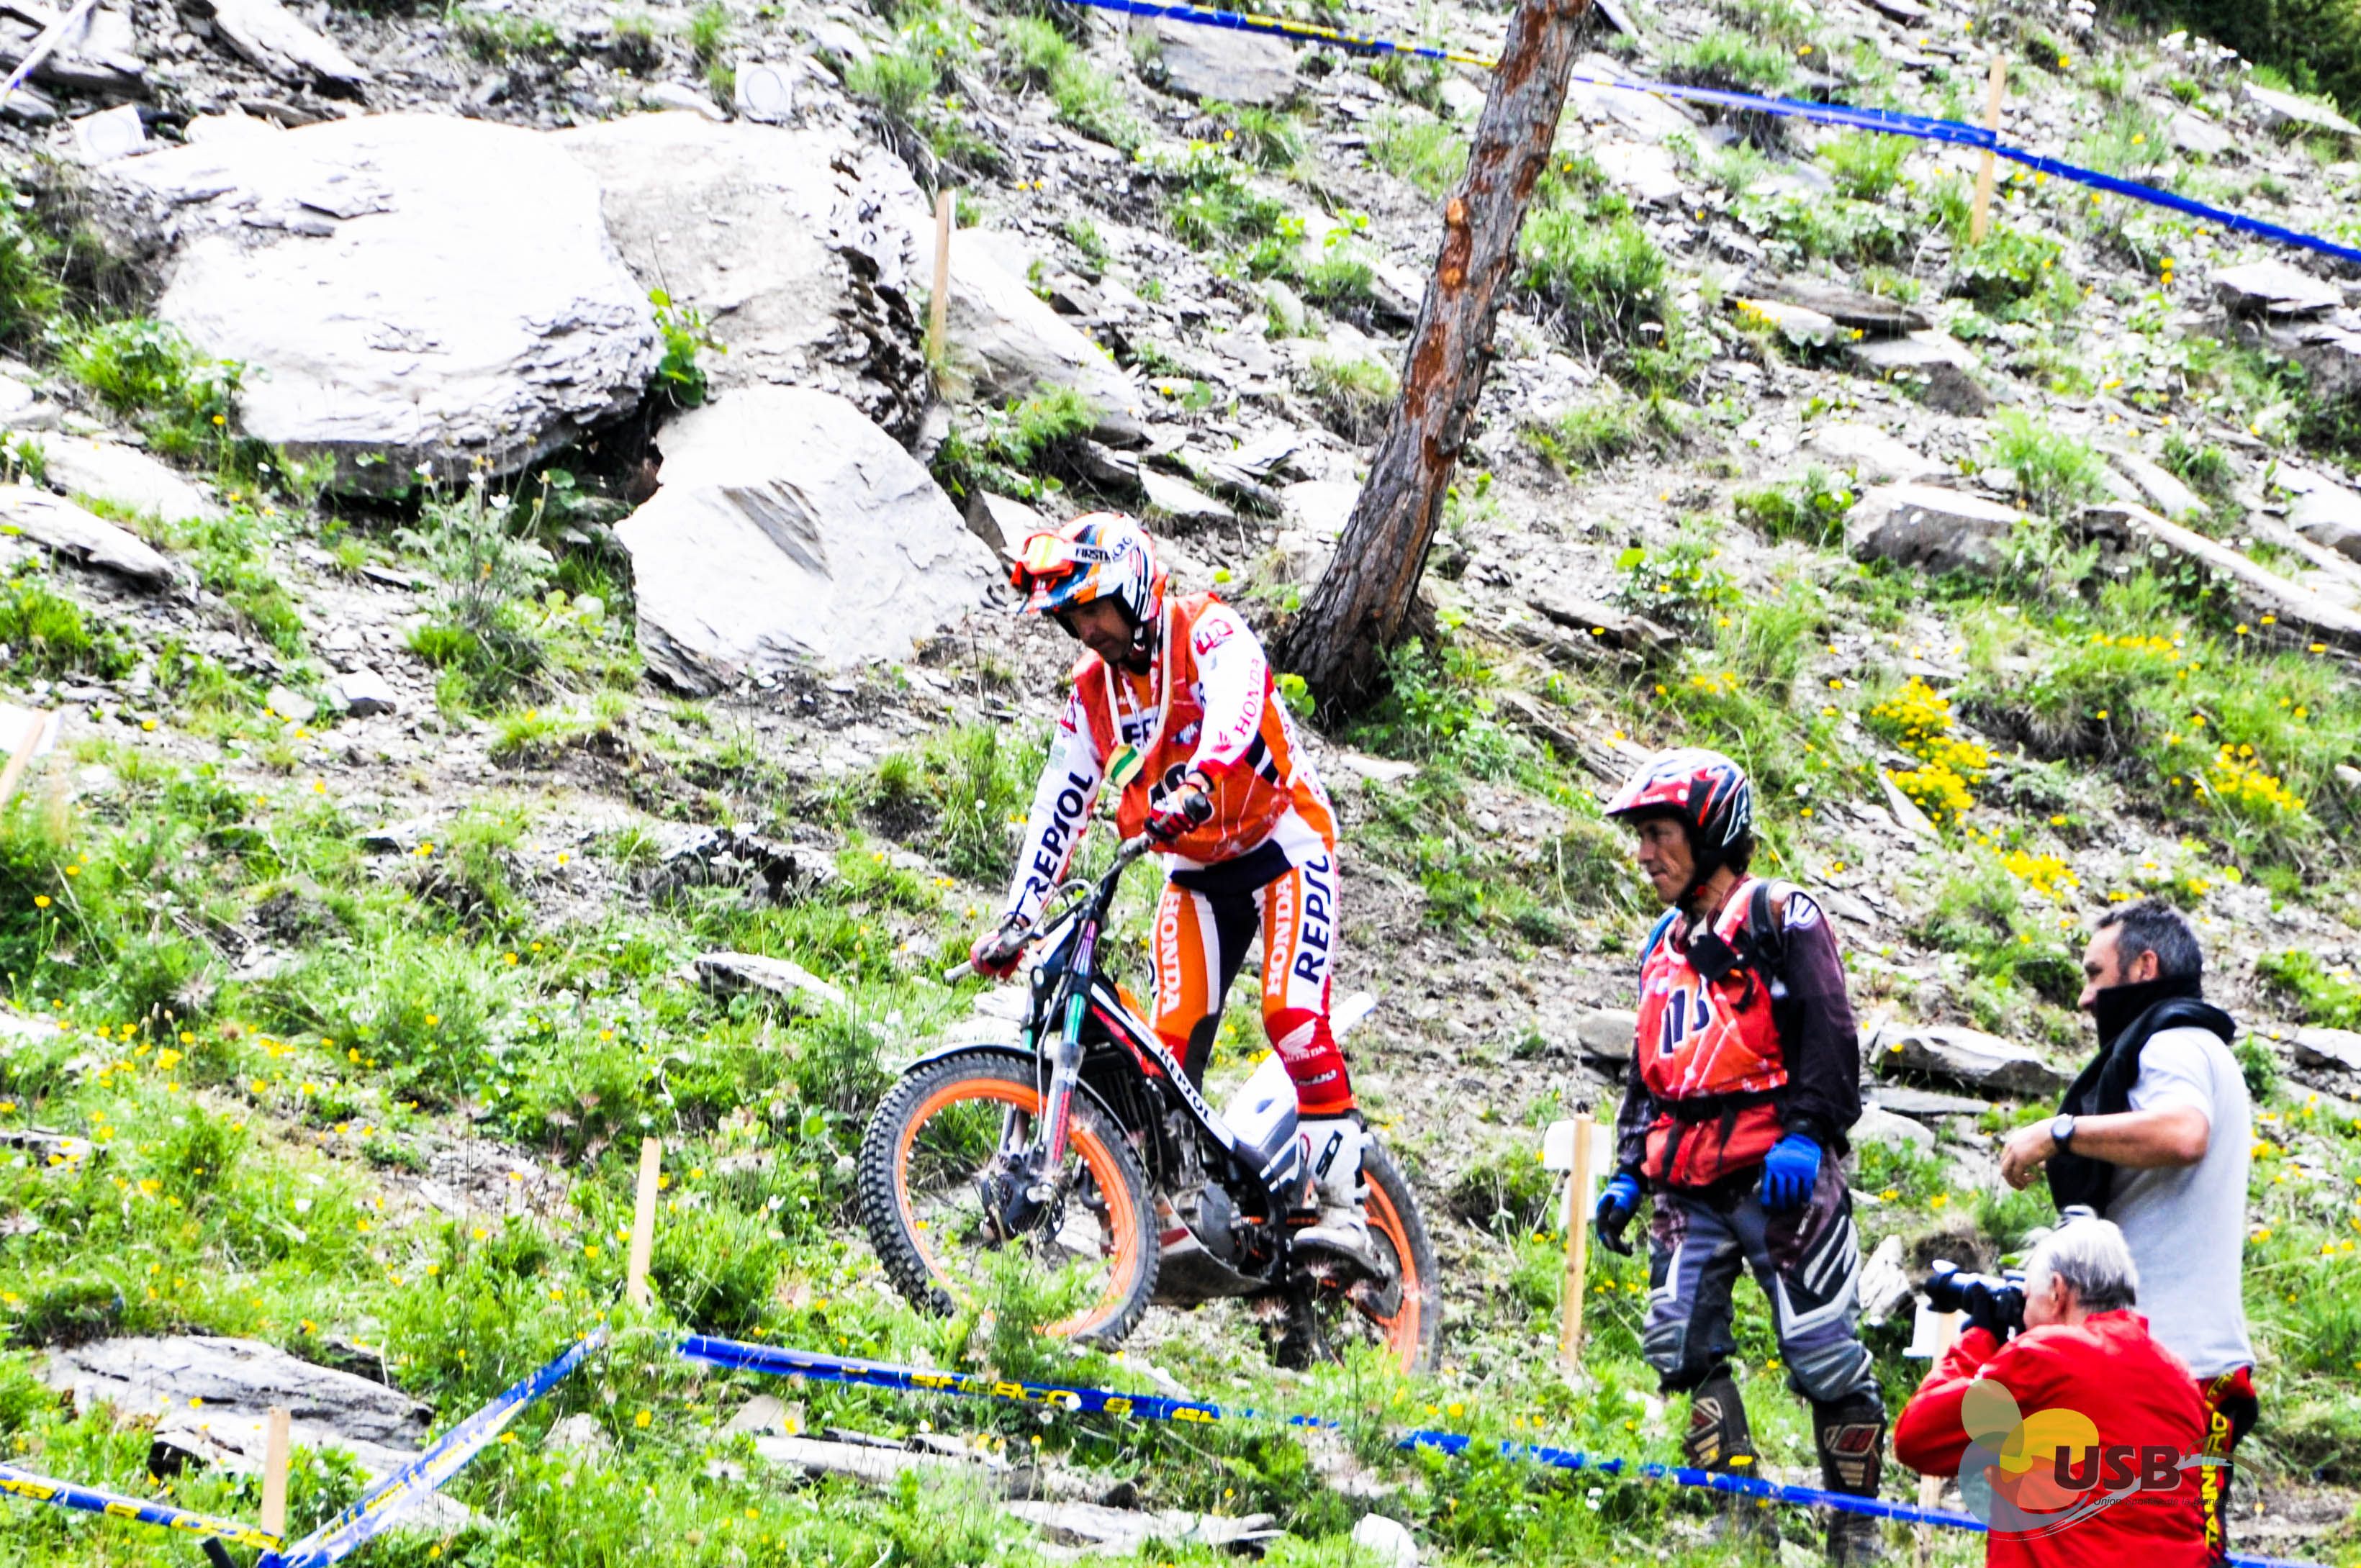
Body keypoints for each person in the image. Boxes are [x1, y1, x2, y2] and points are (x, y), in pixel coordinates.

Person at [967, 514, 1376, 1272]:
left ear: (1132, 588)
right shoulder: (1092, 696)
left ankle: (1345, 1209)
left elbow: (1237, 707)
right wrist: (1018, 916)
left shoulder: (1208, 630)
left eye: (1093, 608)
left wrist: (1202, 777)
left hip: (1284, 842)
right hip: (1194, 871)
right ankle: (1174, 1206)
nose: (1086, 629)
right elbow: (1059, 802)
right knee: (1165, 1049)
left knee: (1290, 1014)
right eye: (1072, 617)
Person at [1592, 748, 1887, 1564]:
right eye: (1641, 837)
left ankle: (1855, 1529)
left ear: (1710, 831)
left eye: (1658, 834)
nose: (1644, 854)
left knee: (1824, 1352)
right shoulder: (1661, 944)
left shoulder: (1782, 916)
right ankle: (1738, 1509)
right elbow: (1648, 1069)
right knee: (1677, 1347)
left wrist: (1808, 1131)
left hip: (1779, 1175)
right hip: (1684, 1183)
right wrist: (1628, 1170)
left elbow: (1830, 1030)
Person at [1995, 899, 2255, 1559]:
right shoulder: (2202, 1047)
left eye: (2094, 973)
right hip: (2165, 1360)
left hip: (2183, 1365)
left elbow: (2185, 1133)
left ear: (2145, 967)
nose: (2085, 998)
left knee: (2182, 1552)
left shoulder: (2172, 1042)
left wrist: (2058, 1132)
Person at [1894, 1216, 2209, 1568]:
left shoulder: (2049, 1356)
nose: (2024, 1312)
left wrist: (1979, 1337)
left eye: (2027, 1296)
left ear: (2057, 1292)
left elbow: (1916, 1438)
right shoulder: (2181, 1379)